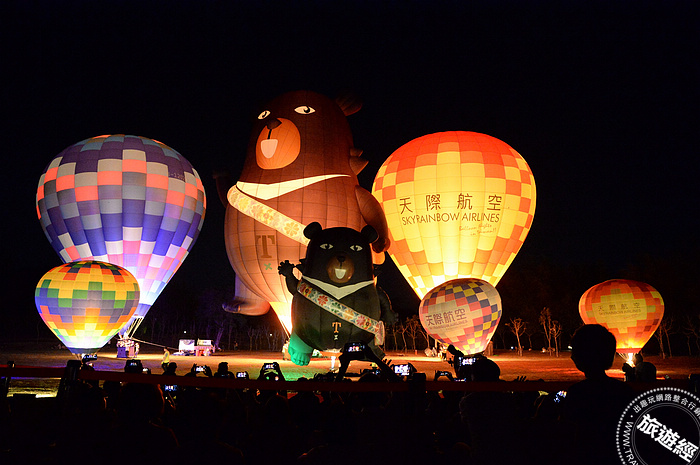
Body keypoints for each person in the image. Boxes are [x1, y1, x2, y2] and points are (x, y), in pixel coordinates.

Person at [558, 324, 636, 465]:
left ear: (583, 355)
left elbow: (571, 435)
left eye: (574, 351)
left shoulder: (578, 392)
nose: (571, 356)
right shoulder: (624, 391)